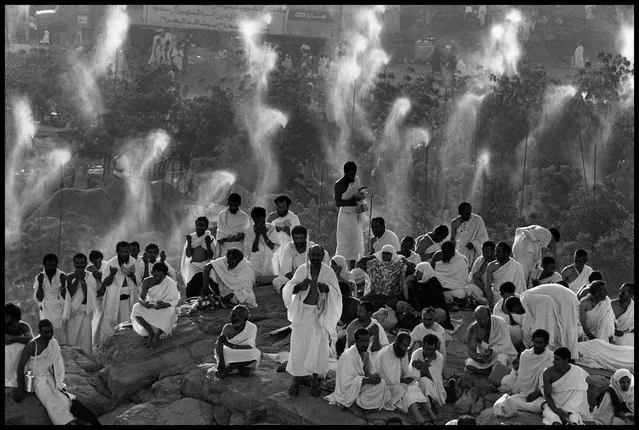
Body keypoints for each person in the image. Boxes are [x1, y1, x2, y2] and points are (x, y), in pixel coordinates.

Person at [283, 245, 342, 397]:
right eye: (313, 255)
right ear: (308, 255)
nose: (315, 258)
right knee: (298, 346)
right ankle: (296, 379)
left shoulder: (328, 272)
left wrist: (327, 289)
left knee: (318, 347)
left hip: (319, 314)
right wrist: (299, 286)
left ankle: (315, 380)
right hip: (303, 313)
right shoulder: (303, 269)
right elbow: (288, 288)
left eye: (318, 255)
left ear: (323, 256)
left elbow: (337, 294)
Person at [14, 320, 76, 425]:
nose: (50, 334)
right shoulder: (32, 345)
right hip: (37, 379)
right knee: (51, 403)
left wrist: (58, 379)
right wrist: (21, 388)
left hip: (48, 375)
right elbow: (20, 367)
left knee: (63, 398)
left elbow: (56, 363)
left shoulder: (53, 342)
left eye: (51, 331)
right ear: (40, 331)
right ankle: (68, 422)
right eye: (46, 332)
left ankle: (70, 418)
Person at [325, 328, 393, 415]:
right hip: (347, 390)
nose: (365, 344)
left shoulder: (366, 354)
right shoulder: (348, 356)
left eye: (367, 341)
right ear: (356, 341)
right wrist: (368, 380)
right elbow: (346, 382)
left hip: (358, 385)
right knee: (373, 389)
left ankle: (360, 403)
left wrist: (373, 377)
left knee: (381, 384)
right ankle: (353, 404)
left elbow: (366, 372)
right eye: (362, 341)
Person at [504, 283, 579, 358]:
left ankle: (569, 357)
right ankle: (565, 356)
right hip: (563, 297)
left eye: (515, 312)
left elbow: (547, 302)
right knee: (563, 330)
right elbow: (527, 327)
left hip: (564, 298)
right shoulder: (526, 301)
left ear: (515, 307)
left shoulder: (526, 299)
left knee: (567, 329)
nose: (519, 314)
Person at [374, 333, 434, 424]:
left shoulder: (402, 351)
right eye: (404, 346)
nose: (406, 349)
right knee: (406, 389)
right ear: (396, 343)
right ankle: (419, 417)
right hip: (387, 386)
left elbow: (406, 370)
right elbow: (389, 379)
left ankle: (430, 412)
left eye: (407, 346)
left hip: (398, 382)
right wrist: (402, 380)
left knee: (413, 385)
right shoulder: (385, 354)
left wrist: (408, 378)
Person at [493, 329, 554, 413]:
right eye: (535, 342)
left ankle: (539, 406)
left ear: (546, 344)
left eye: (540, 343)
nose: (537, 345)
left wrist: (536, 393)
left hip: (539, 394)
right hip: (522, 394)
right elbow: (522, 379)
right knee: (510, 401)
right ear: (532, 341)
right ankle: (536, 407)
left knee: (541, 403)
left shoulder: (550, 357)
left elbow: (549, 381)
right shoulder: (525, 355)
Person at [93, 241, 139, 345]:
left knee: (128, 326)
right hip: (114, 300)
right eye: (122, 251)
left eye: (126, 251)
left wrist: (131, 275)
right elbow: (106, 282)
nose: (124, 254)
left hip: (129, 300)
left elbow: (139, 281)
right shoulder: (111, 263)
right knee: (111, 326)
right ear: (117, 251)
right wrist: (112, 274)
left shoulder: (134, 262)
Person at [130, 262, 180, 349]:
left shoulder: (170, 283)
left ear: (165, 275)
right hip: (151, 306)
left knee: (171, 311)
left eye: (160, 276)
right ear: (151, 272)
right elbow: (140, 299)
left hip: (164, 308)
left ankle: (157, 335)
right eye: (155, 275)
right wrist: (144, 304)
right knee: (136, 307)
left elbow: (175, 300)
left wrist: (165, 304)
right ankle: (150, 332)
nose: (158, 278)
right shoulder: (147, 281)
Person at [273, 225, 329, 295]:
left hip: (314, 277)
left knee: (325, 253)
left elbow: (317, 266)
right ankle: (287, 293)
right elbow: (286, 272)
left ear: (305, 237)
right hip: (295, 278)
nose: (298, 241)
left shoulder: (312, 247)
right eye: (296, 238)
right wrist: (298, 277)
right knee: (278, 280)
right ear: (292, 238)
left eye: (301, 238)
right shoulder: (289, 248)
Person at [541, 347, 591, 425]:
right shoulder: (548, 373)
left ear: (566, 361)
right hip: (554, 404)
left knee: (574, 415)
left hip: (571, 405)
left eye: (557, 359)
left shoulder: (578, 372)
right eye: (554, 358)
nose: (553, 362)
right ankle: (556, 422)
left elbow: (579, 396)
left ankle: (573, 423)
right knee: (550, 414)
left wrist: (569, 409)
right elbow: (547, 396)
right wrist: (557, 410)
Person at [61, 253, 99, 353]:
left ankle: (87, 360)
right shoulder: (69, 277)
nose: (79, 265)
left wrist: (82, 280)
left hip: (85, 312)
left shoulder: (90, 277)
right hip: (73, 313)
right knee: (72, 339)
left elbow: (90, 296)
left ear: (86, 263)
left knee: (85, 339)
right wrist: (77, 278)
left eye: (82, 263)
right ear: (74, 263)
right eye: (77, 263)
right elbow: (70, 294)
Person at [464, 306, 517, 374]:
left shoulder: (500, 322)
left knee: (501, 360)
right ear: (475, 318)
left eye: (485, 318)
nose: (482, 322)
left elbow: (506, 343)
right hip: (484, 358)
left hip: (501, 353)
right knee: (469, 363)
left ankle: (488, 370)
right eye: (479, 319)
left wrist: (492, 351)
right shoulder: (473, 329)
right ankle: (489, 371)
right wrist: (478, 357)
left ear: (490, 316)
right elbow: (471, 350)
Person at [214, 305, 261, 378]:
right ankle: (240, 368)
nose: (230, 317)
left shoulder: (252, 327)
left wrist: (229, 344)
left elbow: (249, 347)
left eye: (234, 315)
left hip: (245, 353)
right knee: (220, 353)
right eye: (231, 314)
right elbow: (219, 343)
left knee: (256, 353)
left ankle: (229, 369)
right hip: (229, 353)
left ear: (242, 318)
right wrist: (221, 361)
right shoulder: (227, 327)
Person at [402, 262, 453, 329]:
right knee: (400, 305)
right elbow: (408, 298)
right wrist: (405, 284)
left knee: (440, 312)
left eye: (418, 272)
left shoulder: (434, 283)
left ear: (425, 272)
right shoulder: (414, 282)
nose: (415, 274)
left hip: (431, 310)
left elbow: (432, 303)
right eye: (415, 271)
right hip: (418, 310)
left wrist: (420, 312)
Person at [335, 161, 366, 269]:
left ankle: (354, 268)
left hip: (355, 215)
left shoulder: (356, 181)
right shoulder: (339, 185)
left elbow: (357, 192)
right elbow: (338, 203)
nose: (353, 175)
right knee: (344, 243)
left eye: (354, 173)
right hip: (345, 216)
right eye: (351, 173)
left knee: (355, 242)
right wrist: (353, 199)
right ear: (346, 172)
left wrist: (361, 196)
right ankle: (342, 268)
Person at [409, 334, 446, 423]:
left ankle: (436, 408)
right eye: (426, 348)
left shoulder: (439, 358)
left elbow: (435, 378)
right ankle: (432, 410)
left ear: (436, 348)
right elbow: (413, 374)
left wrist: (424, 367)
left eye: (431, 349)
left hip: (434, 385)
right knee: (422, 381)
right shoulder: (417, 353)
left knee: (426, 382)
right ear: (423, 346)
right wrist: (423, 368)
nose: (428, 352)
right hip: (417, 383)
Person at [33, 253, 67, 345]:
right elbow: (39, 298)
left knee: (59, 333)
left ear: (56, 265)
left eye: (53, 266)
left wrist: (63, 284)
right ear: (44, 265)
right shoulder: (39, 277)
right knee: (46, 332)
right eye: (48, 266)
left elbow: (65, 297)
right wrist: (40, 283)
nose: (51, 268)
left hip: (58, 309)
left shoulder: (62, 276)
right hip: (46, 308)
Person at [243, 206, 280, 285]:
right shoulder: (249, 231)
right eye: (257, 220)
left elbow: (273, 247)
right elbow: (251, 250)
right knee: (254, 283)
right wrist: (257, 235)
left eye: (262, 219)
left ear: (265, 217)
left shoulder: (271, 228)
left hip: (269, 261)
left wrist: (264, 234)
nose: (260, 222)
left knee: (271, 283)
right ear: (254, 219)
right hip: (254, 262)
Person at [362, 244, 406, 310]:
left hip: (391, 296)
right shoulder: (374, 263)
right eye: (383, 253)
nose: (385, 255)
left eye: (388, 254)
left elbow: (401, 282)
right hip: (375, 295)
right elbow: (363, 260)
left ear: (393, 254)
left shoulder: (399, 265)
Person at [181, 216, 215, 299]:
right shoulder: (191, 237)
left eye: (202, 225)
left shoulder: (209, 238)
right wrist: (189, 242)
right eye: (198, 225)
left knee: (208, 285)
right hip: (193, 267)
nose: (199, 227)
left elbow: (211, 256)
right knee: (191, 287)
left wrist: (208, 245)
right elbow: (188, 255)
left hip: (205, 266)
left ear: (206, 227)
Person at [267, 194, 301, 274]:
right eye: (279, 207)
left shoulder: (293, 217)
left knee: (286, 271)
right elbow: (266, 232)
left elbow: (299, 234)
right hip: (274, 248)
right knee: (274, 271)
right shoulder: (272, 217)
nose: (281, 209)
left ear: (288, 206)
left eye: (283, 207)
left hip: (288, 248)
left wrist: (288, 231)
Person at [485, 242, 526, 306]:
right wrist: (490, 303)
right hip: (496, 301)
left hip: (513, 302)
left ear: (506, 253)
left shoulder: (517, 266)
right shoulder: (491, 266)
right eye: (495, 251)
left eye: (498, 252)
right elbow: (488, 287)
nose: (495, 254)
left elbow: (521, 288)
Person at [450, 202, 489, 270]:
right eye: (466, 214)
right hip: (461, 251)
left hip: (475, 253)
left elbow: (484, 237)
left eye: (469, 213)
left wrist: (474, 243)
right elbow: (453, 239)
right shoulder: (455, 223)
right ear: (460, 212)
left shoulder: (478, 220)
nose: (468, 215)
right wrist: (452, 253)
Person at [5, 303, 34, 388]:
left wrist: (13, 339)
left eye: (6, 316)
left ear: (14, 318)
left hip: (17, 361)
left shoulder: (23, 326)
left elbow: (31, 340)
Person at [492, 282, 524, 351]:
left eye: (511, 296)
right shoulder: (497, 308)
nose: (509, 300)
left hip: (522, 334)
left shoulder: (522, 302)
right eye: (507, 297)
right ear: (501, 295)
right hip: (505, 336)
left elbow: (527, 325)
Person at [216, 193, 250, 258]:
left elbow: (247, 234)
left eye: (235, 205)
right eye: (231, 205)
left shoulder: (244, 217)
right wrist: (227, 238)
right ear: (228, 203)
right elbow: (220, 233)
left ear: (239, 204)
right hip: (225, 248)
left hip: (239, 248)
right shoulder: (222, 215)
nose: (233, 207)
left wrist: (241, 235)